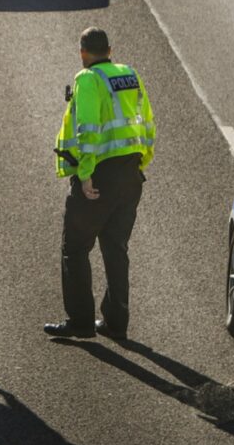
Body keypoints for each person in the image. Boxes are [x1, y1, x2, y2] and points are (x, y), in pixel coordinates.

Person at [46, 27, 156, 340]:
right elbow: (147, 122)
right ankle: (116, 321)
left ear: (83, 54)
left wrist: (85, 175)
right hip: (131, 174)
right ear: (110, 49)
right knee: (115, 247)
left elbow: (88, 130)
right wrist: (140, 164)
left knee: (76, 247)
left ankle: (80, 322)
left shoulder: (88, 80)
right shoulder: (129, 75)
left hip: (101, 174)